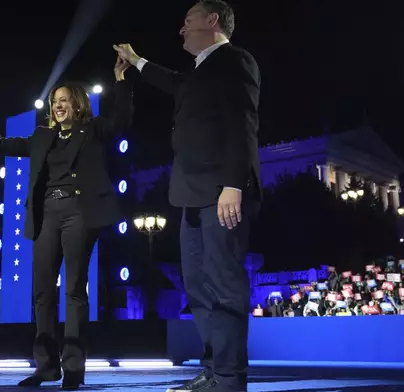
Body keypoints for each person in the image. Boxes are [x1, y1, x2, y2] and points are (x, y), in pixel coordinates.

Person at [0, 56, 132, 390]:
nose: (57, 106)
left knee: (74, 290)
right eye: (54, 101)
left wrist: (119, 80)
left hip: (80, 212)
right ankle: (46, 367)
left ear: (77, 104)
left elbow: (122, 117)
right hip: (46, 214)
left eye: (64, 101)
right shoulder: (41, 136)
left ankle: (73, 368)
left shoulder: (94, 129)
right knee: (43, 292)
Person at [114, 1, 260, 391]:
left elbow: (242, 122)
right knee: (197, 288)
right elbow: (172, 81)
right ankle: (213, 371)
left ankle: (230, 379)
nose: (181, 29)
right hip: (190, 194)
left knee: (224, 284)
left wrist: (234, 184)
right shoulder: (197, 71)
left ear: (212, 21)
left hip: (220, 192)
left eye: (188, 21)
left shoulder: (234, 61)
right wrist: (136, 60)